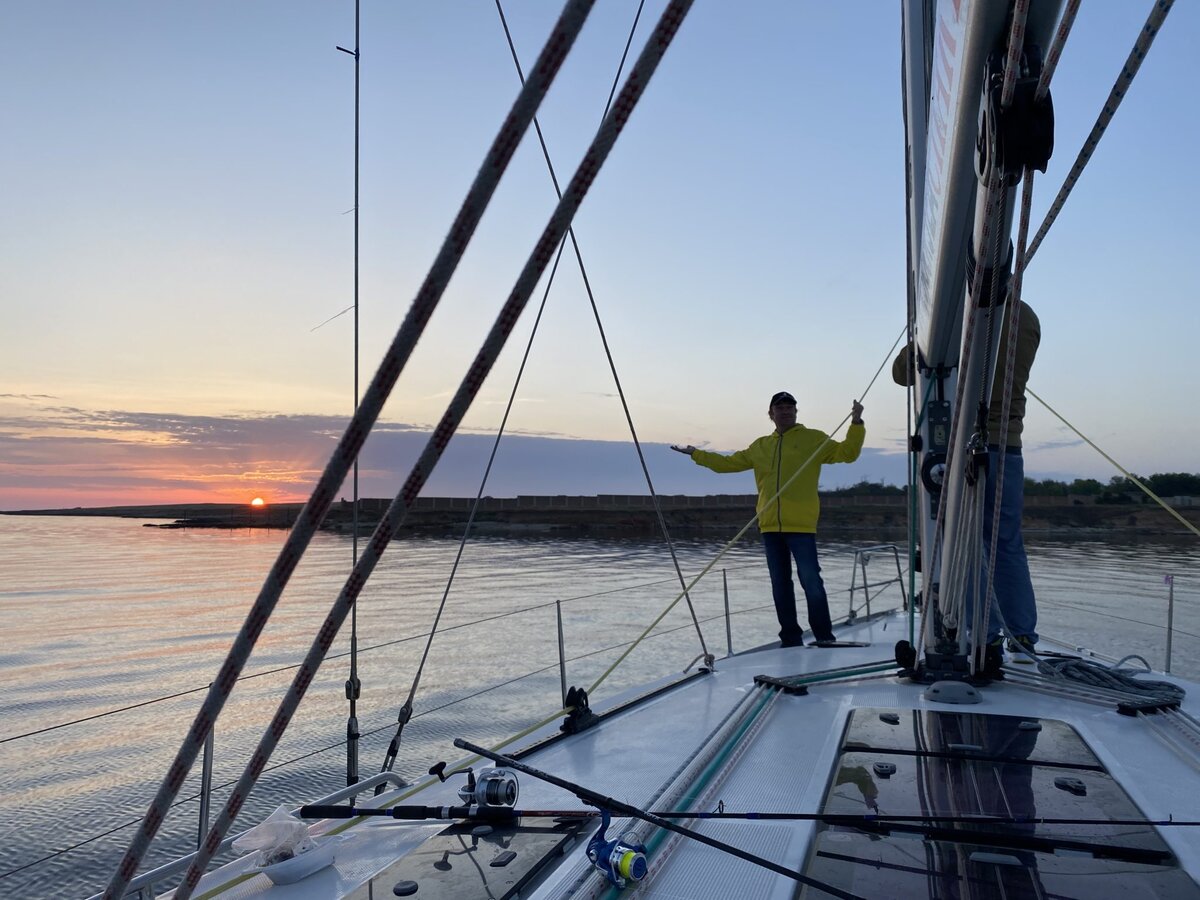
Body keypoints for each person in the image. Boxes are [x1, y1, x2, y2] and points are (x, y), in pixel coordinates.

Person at [893, 299, 1041, 659]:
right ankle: (1021, 635)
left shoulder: (962, 316)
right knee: (1006, 543)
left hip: (964, 446)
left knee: (967, 540)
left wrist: (925, 325)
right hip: (1008, 445)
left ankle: (985, 632)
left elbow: (902, 372)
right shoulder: (1026, 316)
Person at [673, 392, 865, 647]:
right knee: (780, 584)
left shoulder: (814, 439)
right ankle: (790, 638)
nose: (785, 411)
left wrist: (856, 423)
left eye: (790, 407)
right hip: (769, 526)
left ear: (796, 412)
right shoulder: (760, 446)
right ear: (771, 414)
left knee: (811, 581)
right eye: (780, 408)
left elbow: (847, 453)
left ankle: (824, 637)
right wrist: (696, 454)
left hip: (801, 526)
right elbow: (726, 464)